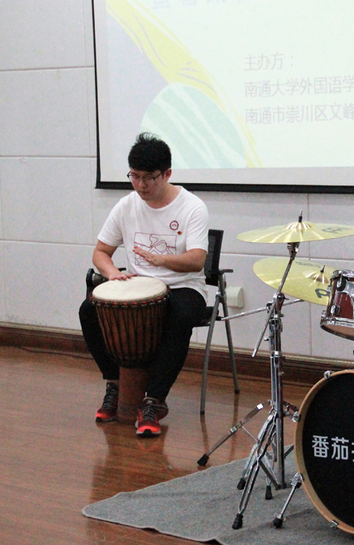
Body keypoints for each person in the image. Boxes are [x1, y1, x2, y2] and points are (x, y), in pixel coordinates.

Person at [79, 133, 209, 437]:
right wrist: (112, 273)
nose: (140, 185)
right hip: (138, 286)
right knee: (88, 310)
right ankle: (114, 383)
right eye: (134, 177)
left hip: (183, 286)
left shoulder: (192, 207)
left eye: (148, 178)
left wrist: (162, 261)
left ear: (167, 174)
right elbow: (101, 252)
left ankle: (154, 400)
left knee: (180, 315)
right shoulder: (126, 206)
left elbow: (196, 260)